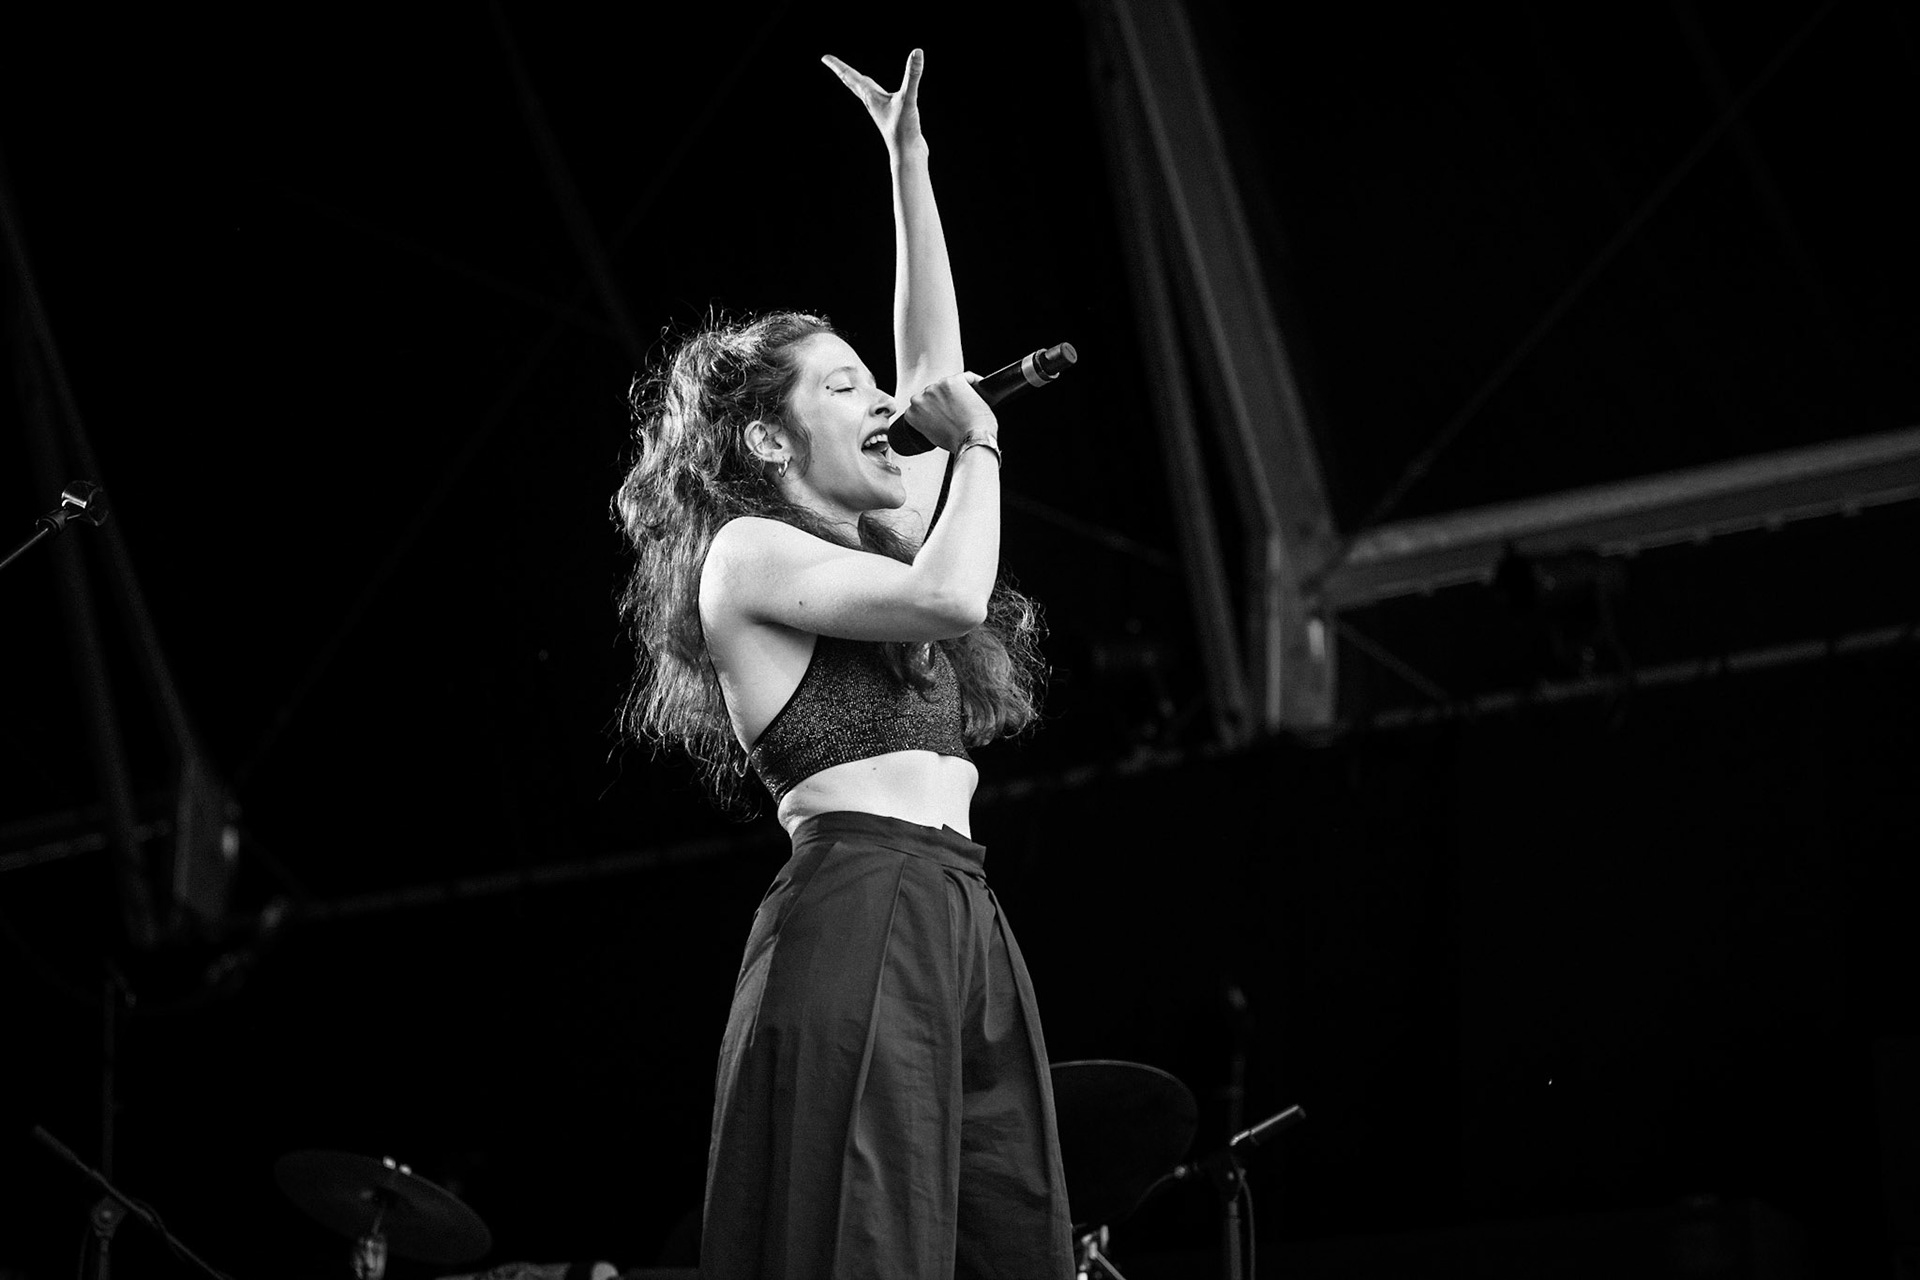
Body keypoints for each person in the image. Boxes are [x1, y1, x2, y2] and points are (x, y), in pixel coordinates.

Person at [612, 48, 1074, 1280]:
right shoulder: (747, 555)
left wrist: (907, 160)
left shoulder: (877, 526)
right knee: (862, 1240)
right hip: (860, 903)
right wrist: (977, 447)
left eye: (873, 383)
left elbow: (930, 384)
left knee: (1006, 1240)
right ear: (769, 439)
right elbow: (952, 589)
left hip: (961, 909)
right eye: (843, 387)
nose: (883, 404)